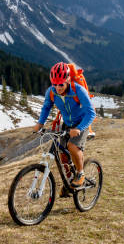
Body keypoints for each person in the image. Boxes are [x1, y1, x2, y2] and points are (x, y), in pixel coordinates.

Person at [33, 61, 96, 191]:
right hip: (67, 124)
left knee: (72, 146)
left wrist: (79, 128)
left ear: (67, 79)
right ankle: (69, 182)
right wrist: (40, 123)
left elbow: (91, 113)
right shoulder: (51, 92)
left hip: (81, 123)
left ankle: (80, 173)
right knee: (63, 154)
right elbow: (46, 107)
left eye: (61, 84)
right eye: (54, 84)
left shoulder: (78, 90)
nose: (58, 88)